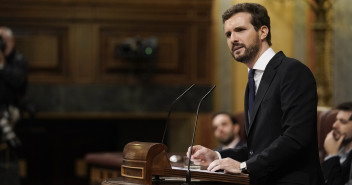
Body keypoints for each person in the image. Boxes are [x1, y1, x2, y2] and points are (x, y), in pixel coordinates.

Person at [187, 3, 324, 185]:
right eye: (228, 34)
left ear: (263, 32)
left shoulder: (292, 71)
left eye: (240, 30)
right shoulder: (253, 80)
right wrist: (217, 155)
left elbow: (296, 137)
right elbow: (257, 149)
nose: (233, 39)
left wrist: (244, 167)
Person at [0, 26, 28, 185]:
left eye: (2, 39)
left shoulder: (19, 61)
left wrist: (2, 65)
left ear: (11, 41)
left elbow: (18, 83)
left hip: (11, 107)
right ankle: (9, 136)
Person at [322, 102, 352, 185]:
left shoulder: (333, 151)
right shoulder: (338, 148)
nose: (334, 125)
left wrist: (332, 155)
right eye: (336, 120)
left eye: (342, 122)